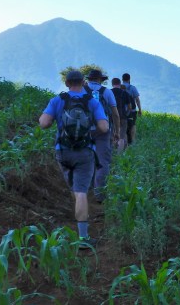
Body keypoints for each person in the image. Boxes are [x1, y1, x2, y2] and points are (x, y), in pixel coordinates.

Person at [38, 68, 108, 242]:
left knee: (75, 189)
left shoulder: (57, 100)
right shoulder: (91, 101)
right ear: (83, 82)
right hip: (85, 152)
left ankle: (77, 211)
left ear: (67, 83)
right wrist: (91, 132)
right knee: (82, 191)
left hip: (63, 151)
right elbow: (104, 127)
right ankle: (83, 238)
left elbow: (44, 123)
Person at [85, 68, 120, 202]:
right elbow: (115, 114)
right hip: (103, 129)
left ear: (89, 79)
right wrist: (116, 131)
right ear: (101, 80)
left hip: (84, 130)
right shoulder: (107, 92)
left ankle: (83, 189)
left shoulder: (81, 91)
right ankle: (99, 194)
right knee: (103, 161)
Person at [111, 77, 133, 152]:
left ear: (112, 84)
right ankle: (119, 156)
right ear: (120, 84)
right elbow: (130, 107)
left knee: (113, 134)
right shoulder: (125, 93)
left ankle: (113, 153)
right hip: (123, 117)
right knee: (122, 136)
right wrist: (126, 114)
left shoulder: (109, 92)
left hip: (112, 117)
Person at [121, 72, 142, 144]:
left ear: (122, 79)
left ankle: (122, 141)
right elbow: (137, 99)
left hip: (121, 110)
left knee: (122, 125)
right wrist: (140, 109)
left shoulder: (119, 87)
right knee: (133, 125)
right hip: (132, 111)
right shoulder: (132, 88)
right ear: (129, 79)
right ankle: (132, 141)